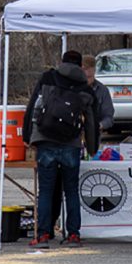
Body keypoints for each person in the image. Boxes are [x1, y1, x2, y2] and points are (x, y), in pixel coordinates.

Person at [23, 50, 98, 249]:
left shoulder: (48, 77)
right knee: (71, 191)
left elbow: (33, 106)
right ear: (80, 65)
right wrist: (92, 147)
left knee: (46, 191)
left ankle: (43, 236)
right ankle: (73, 234)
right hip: (70, 144)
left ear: (62, 62)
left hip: (45, 140)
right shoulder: (85, 87)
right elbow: (91, 121)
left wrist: (27, 136)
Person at [81, 55, 115, 134]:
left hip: (94, 134)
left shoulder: (102, 90)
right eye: (84, 69)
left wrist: (99, 125)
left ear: (94, 70)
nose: (86, 72)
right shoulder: (73, 89)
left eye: (89, 77)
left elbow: (109, 117)